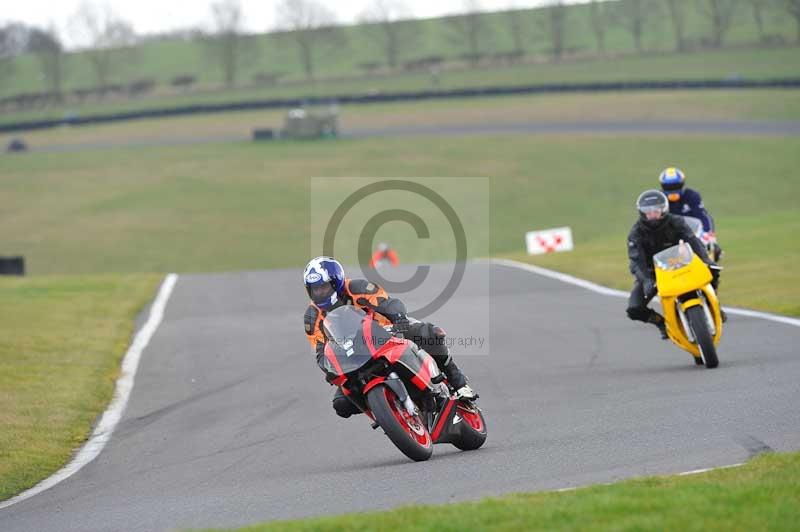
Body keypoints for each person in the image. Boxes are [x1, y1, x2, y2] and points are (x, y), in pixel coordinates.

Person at [303, 256, 476, 418]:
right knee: (341, 404)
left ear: (336, 282)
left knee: (430, 334)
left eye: (323, 287)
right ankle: (388, 412)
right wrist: (329, 369)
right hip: (353, 355)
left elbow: (388, 302)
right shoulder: (312, 316)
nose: (319, 293)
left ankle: (459, 383)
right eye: (315, 289)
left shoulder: (358, 288)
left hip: (386, 333)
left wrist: (398, 318)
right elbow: (321, 351)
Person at [626, 190, 723, 339]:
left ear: (663, 209)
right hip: (653, 273)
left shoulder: (676, 221)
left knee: (713, 271)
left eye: (656, 210)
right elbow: (636, 260)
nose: (652, 214)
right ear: (642, 212)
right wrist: (646, 280)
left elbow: (693, 242)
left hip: (681, 263)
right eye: (648, 211)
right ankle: (662, 324)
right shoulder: (635, 233)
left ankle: (713, 304)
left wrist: (706, 261)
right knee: (634, 308)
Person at [659, 167, 722, 261]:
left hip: (692, 234)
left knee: (714, 251)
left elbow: (703, 216)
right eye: (669, 187)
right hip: (669, 236)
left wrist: (710, 238)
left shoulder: (692, 196)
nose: (672, 190)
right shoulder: (660, 199)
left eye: (676, 186)